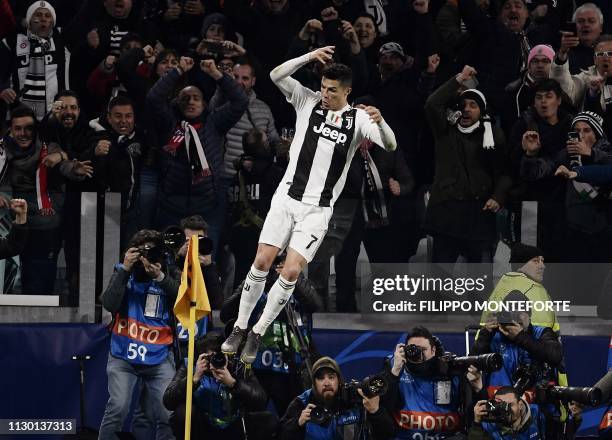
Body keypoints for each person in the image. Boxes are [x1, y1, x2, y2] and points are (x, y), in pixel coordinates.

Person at [221, 46, 397, 364]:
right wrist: (307, 57)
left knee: (290, 271)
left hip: (318, 211)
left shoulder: (358, 119)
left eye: (332, 90)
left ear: (347, 91)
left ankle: (257, 332)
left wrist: (381, 121)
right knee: (261, 262)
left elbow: (389, 143)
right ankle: (239, 327)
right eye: (323, 87)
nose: (325, 93)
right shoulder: (307, 100)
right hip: (287, 198)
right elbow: (276, 75)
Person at [145, 56, 248, 253]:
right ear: (177, 102)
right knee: (170, 259)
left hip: (208, 207)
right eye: (185, 98)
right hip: (171, 206)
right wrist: (177, 71)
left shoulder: (215, 123)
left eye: (196, 98)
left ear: (203, 103)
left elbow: (240, 100)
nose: (191, 102)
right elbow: (153, 99)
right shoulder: (169, 123)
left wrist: (217, 75)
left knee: (206, 260)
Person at [424, 65, 511, 267]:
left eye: (473, 105)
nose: (467, 109)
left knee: (480, 285)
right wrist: (459, 79)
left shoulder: (493, 134)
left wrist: (498, 197)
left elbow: (503, 172)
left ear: (482, 111)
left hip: (479, 214)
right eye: (463, 104)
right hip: (447, 214)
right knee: (440, 284)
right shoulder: (445, 130)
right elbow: (432, 104)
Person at [0, 105, 92, 294]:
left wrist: (75, 170)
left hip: (44, 226)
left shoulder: (49, 149)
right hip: (9, 227)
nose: (23, 133)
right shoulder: (1, 151)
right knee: (7, 285)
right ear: (11, 129)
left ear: (36, 129)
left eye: (28, 128)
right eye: (18, 128)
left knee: (39, 287)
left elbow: (64, 166)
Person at [99, 229, 179, 440]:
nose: (147, 257)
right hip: (123, 356)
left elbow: (183, 300)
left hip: (159, 357)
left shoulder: (167, 274)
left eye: (152, 252)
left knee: (168, 412)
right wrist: (125, 268)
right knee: (118, 407)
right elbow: (109, 304)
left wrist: (160, 276)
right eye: (143, 252)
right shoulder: (123, 273)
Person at [221, 252, 323, 415]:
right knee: (254, 419)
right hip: (254, 367)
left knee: (291, 419)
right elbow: (225, 313)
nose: (278, 263)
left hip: (289, 365)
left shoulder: (297, 278)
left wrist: (293, 277)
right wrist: (257, 279)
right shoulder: (257, 277)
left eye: (284, 258)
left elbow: (316, 305)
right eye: (275, 258)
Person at [162, 332, 272, 440]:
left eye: (219, 356)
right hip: (203, 426)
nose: (214, 361)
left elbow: (260, 401)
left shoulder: (238, 366)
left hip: (233, 424)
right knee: (184, 412)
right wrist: (194, 379)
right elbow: (168, 401)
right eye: (209, 358)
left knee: (268, 420)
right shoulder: (191, 365)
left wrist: (233, 383)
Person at [382, 325, 485, 439]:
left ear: (433, 350)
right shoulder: (395, 367)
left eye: (423, 350)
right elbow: (383, 409)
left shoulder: (451, 370)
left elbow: (472, 414)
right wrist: (395, 371)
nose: (418, 354)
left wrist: (478, 388)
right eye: (413, 349)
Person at [279, 356, 396, 440]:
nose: (326, 382)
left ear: (339, 380)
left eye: (331, 377)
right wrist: (297, 424)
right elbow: (280, 435)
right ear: (313, 383)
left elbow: (388, 434)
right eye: (320, 378)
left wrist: (375, 412)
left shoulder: (356, 399)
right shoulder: (301, 403)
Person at [0, 0, 70, 121]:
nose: (43, 19)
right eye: (38, 15)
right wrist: (1, 89)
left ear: (52, 22)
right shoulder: (11, 41)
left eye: (48, 16)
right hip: (19, 116)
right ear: (28, 20)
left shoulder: (61, 38)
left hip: (54, 115)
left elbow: (83, 18)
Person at [481, 243, 559, 331]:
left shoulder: (507, 284)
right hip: (526, 343)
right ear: (521, 264)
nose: (542, 266)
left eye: (542, 261)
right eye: (536, 261)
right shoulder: (523, 289)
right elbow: (541, 328)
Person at [470, 387, 545, 439]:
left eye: (510, 405)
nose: (506, 409)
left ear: (520, 405)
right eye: (501, 405)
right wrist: (477, 423)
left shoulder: (537, 415)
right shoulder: (490, 426)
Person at [558, 3, 605, 74]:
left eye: (591, 21)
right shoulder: (565, 50)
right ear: (574, 25)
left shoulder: (609, 50)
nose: (586, 25)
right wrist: (562, 53)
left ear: (601, 27)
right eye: (580, 21)